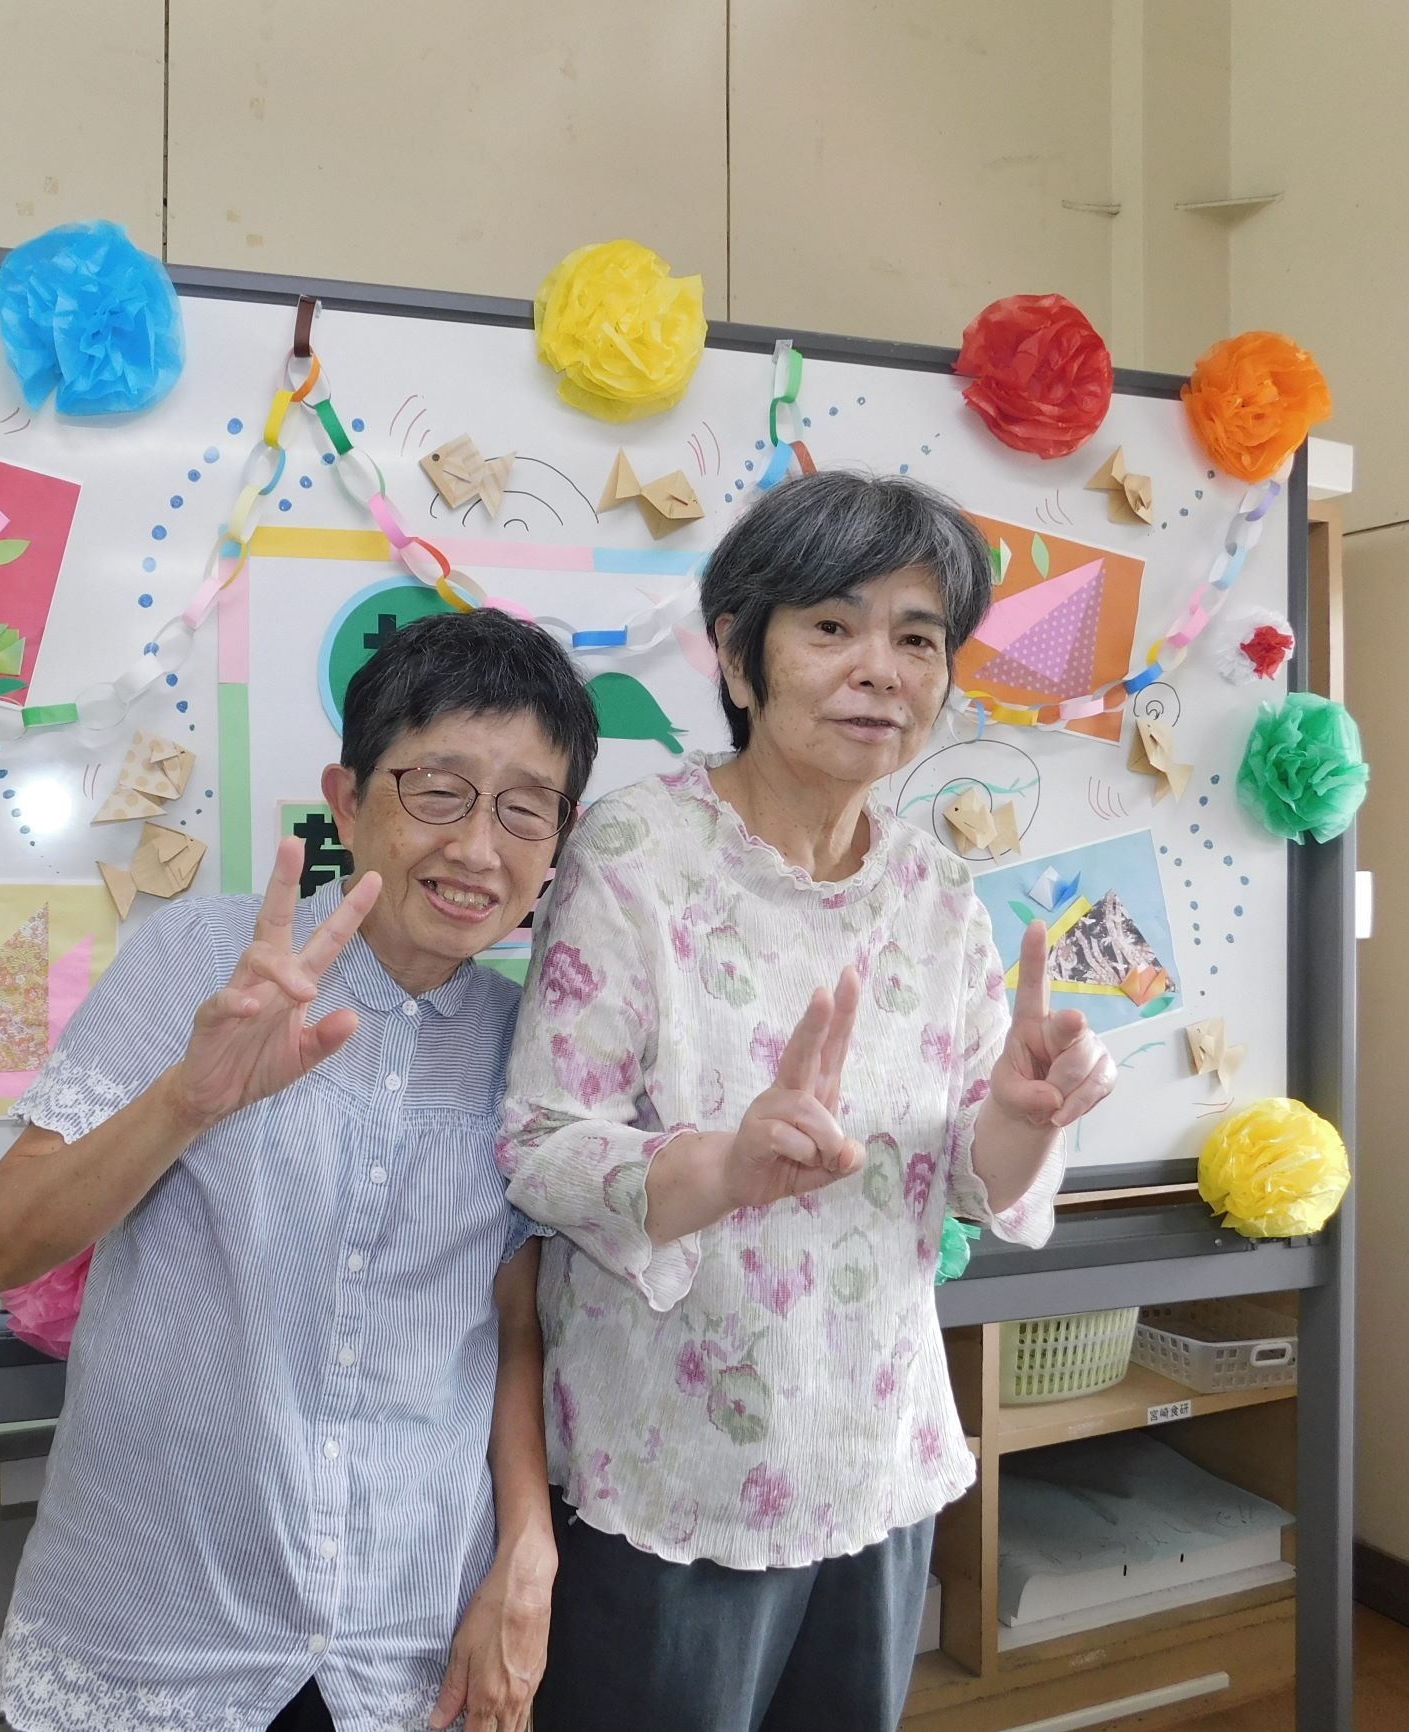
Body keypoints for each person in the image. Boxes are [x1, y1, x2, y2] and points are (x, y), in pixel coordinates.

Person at [499, 471, 1118, 1732]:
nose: (878, 669)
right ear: (738, 655)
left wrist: (1023, 1116)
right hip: (664, 1470)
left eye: (917, 638)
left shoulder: (939, 892)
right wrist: (721, 1167)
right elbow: (539, 1145)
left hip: (875, 1454)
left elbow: (970, 1177)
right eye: (831, 627)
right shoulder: (634, 853)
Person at [0, 607, 600, 1732]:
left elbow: (512, 1320)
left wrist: (526, 1548)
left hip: (408, 1634)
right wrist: (187, 1100)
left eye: (523, 808)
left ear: (558, 841)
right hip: (160, 1621)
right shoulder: (200, 961)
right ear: (347, 800)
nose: (477, 848)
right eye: (438, 790)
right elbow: (7, 1242)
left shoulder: (531, 1041)